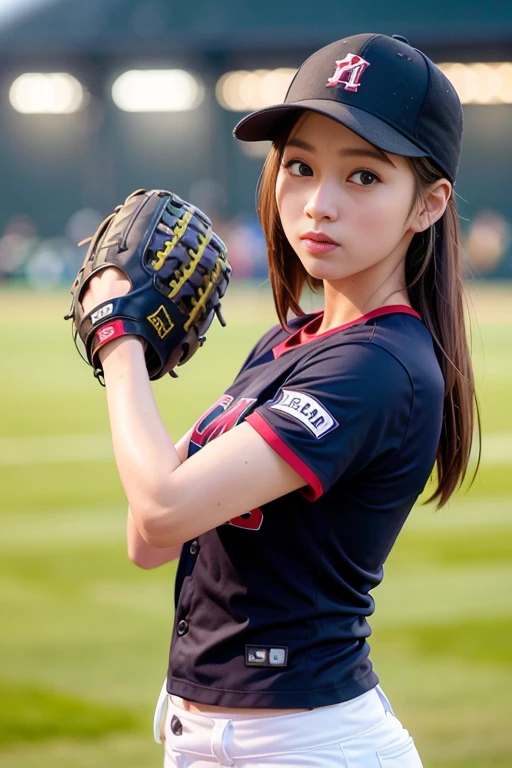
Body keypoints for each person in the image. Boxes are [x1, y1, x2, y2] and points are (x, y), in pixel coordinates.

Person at [80, 33, 478, 768]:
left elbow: (162, 505)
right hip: (207, 734)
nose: (318, 205)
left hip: (306, 742)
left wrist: (118, 338)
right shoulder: (286, 344)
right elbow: (152, 538)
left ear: (428, 204)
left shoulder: (378, 365)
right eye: (299, 166)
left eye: (363, 177)